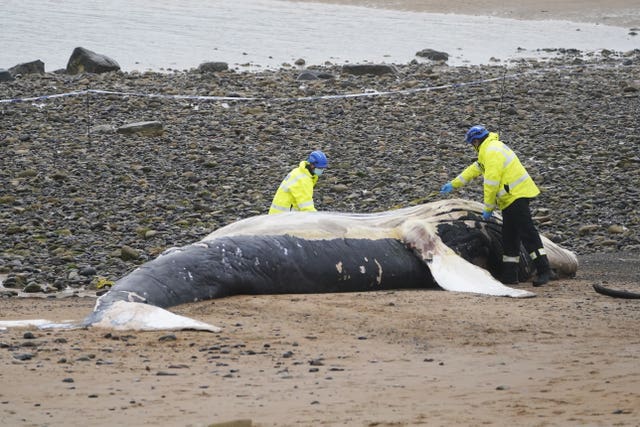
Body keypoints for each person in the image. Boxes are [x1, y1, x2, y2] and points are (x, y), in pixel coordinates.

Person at [439, 125, 552, 286]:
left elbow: (491, 183)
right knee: (509, 236)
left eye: (472, 144)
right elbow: (474, 169)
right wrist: (454, 184)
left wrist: (488, 208)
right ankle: (510, 275)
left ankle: (544, 270)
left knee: (528, 233)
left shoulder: (492, 151)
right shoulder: (487, 150)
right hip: (509, 198)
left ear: (476, 141)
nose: (472, 147)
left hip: (516, 195)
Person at [269, 150, 328, 214]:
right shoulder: (304, 180)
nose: (321, 170)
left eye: (322, 168)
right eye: (319, 168)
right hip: (283, 217)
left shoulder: (299, 172)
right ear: (312, 165)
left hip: (278, 214)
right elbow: (306, 207)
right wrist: (318, 219)